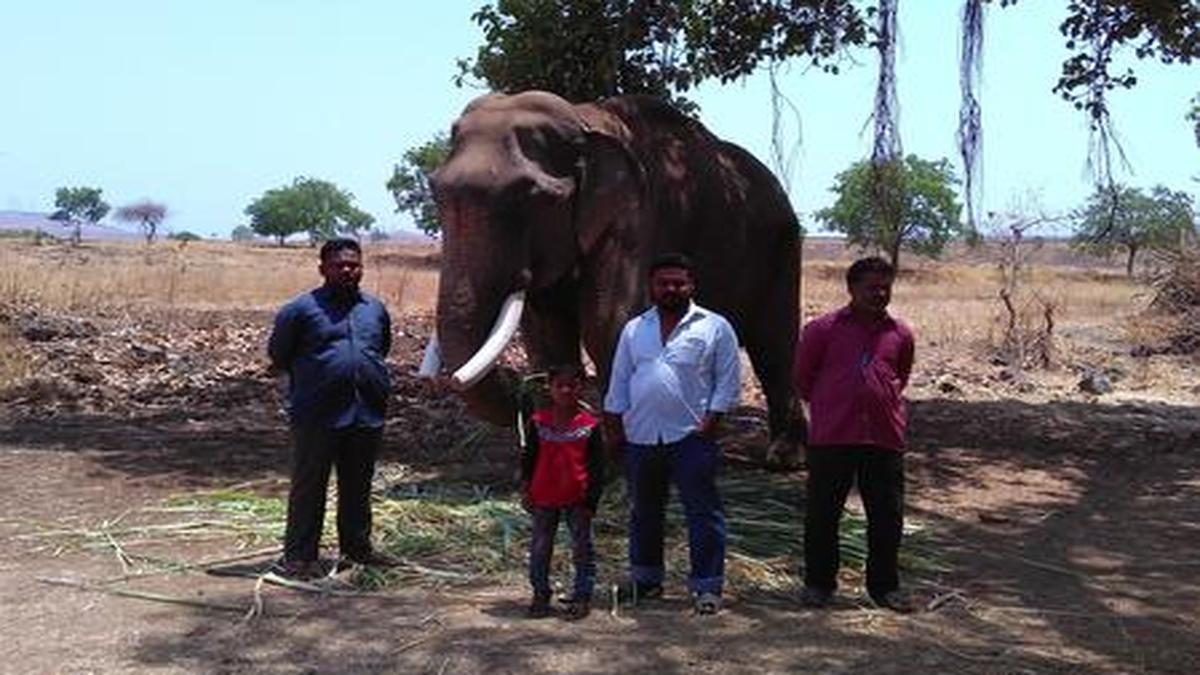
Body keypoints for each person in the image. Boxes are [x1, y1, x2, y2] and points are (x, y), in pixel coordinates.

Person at [603, 252, 741, 616]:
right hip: (642, 435)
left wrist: (712, 421)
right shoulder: (635, 329)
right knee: (644, 511)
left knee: (703, 512)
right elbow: (620, 378)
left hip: (691, 437)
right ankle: (646, 579)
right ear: (651, 286)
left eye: (678, 283)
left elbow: (728, 380)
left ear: (691, 285)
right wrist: (614, 426)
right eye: (663, 283)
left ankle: (707, 586)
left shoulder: (714, 326)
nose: (671, 289)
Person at [267, 238, 397, 577]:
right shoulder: (299, 310)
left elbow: (381, 348)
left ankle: (357, 551)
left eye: (353, 264)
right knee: (310, 486)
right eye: (339, 265)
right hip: (317, 413)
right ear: (323, 268)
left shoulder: (375, 309)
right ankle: (299, 557)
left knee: (358, 486)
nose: (347, 270)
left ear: (362, 268)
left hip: (365, 411)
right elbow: (279, 355)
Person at [793, 256, 915, 613]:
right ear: (851, 288)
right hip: (833, 435)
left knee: (887, 516)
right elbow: (803, 379)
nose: (879, 294)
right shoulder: (822, 330)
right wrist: (834, 402)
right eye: (871, 288)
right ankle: (818, 585)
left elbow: (900, 377)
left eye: (885, 288)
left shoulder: (900, 333)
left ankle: (884, 588)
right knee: (823, 514)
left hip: (883, 437)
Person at [520, 364, 604, 620]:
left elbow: (597, 466)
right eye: (559, 385)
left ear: (582, 387)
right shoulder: (538, 422)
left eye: (572, 385)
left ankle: (582, 596)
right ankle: (540, 593)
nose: (566, 390)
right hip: (543, 495)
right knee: (540, 548)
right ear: (550, 388)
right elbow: (529, 458)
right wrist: (526, 489)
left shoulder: (590, 425)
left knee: (582, 548)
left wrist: (591, 500)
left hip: (577, 498)